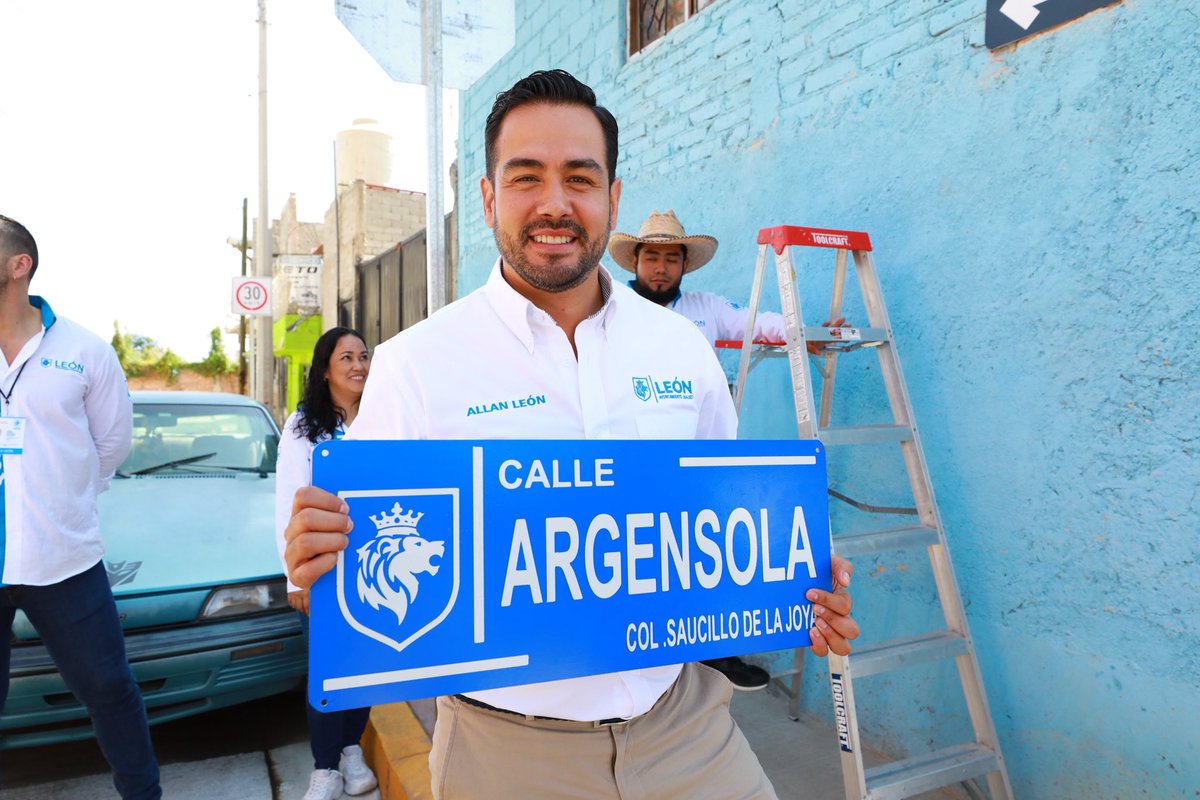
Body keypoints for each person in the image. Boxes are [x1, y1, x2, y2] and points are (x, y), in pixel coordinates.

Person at [283, 70, 858, 799]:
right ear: (489, 197)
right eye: (526, 178)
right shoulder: (413, 367)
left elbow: (724, 512)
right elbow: (356, 560)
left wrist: (796, 575)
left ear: (611, 199)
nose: (555, 203)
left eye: (580, 178)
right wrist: (315, 554)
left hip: (688, 730)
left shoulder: (682, 348)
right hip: (504, 756)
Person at [610, 210, 845, 691]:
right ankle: (630, 656)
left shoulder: (704, 308)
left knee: (703, 556)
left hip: (702, 462)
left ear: (683, 266)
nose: (660, 267)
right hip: (635, 461)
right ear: (634, 260)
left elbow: (757, 323)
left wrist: (806, 336)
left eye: (670, 258)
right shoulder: (609, 307)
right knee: (636, 560)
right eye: (651, 256)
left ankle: (716, 654)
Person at [0, 215, 161, 799]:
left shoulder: (85, 350)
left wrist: (57, 499)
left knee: (109, 690)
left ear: (20, 265)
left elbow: (111, 445)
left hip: (63, 560)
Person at [275, 326, 379, 800]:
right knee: (326, 668)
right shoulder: (302, 427)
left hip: (369, 566)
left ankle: (351, 750)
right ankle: (324, 768)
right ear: (324, 370)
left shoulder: (383, 417)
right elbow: (288, 503)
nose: (359, 365)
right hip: (321, 569)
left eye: (363, 356)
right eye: (347, 359)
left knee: (363, 664)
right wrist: (293, 575)